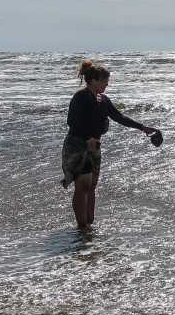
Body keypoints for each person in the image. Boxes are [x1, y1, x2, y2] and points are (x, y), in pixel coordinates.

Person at [62, 59, 158, 230]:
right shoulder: (81, 97)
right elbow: (72, 121)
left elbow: (119, 117)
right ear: (94, 81)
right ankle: (81, 227)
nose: (107, 84)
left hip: (95, 146)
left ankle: (90, 223)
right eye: (105, 81)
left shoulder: (104, 100)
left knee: (92, 185)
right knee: (83, 185)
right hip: (77, 144)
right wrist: (87, 138)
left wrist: (142, 127)